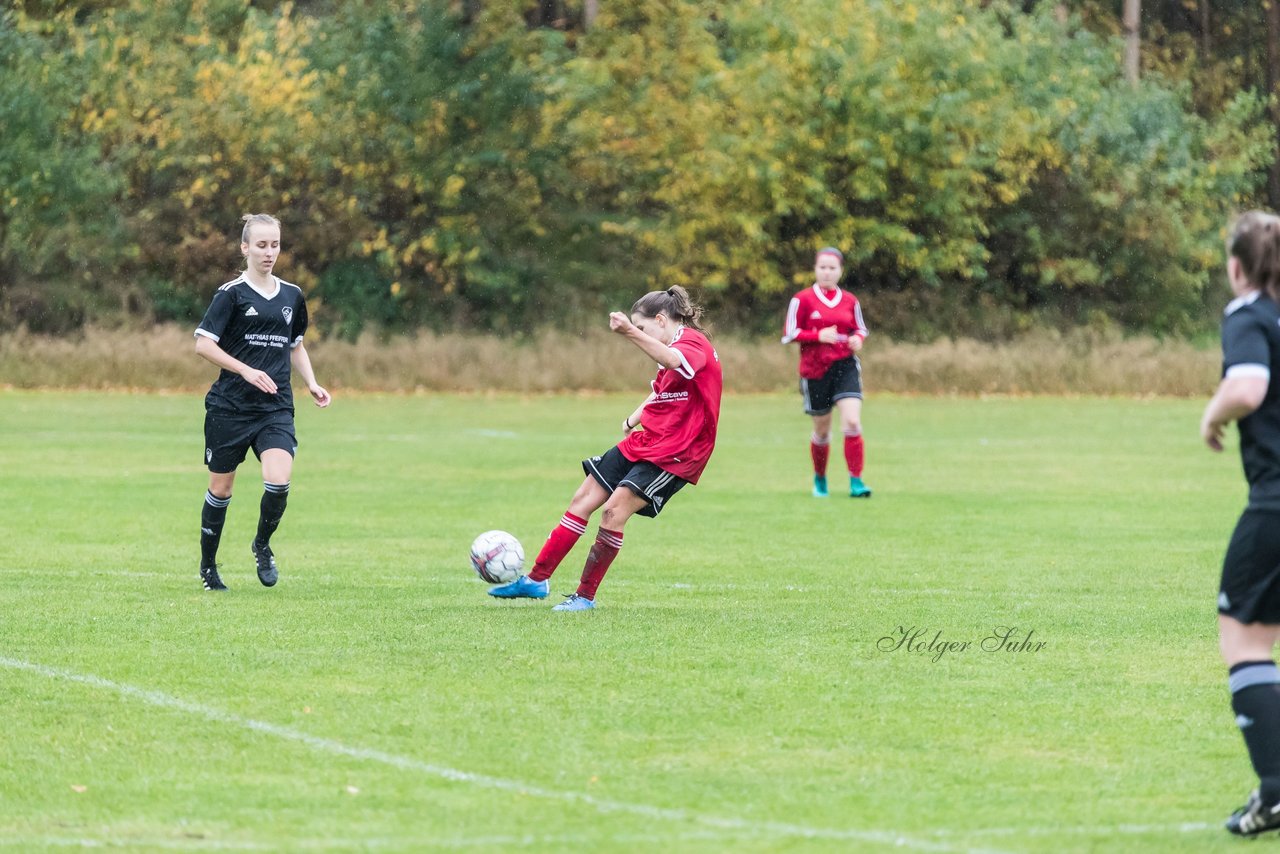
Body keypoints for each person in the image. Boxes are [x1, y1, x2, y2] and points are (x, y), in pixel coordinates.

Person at [488, 286, 722, 611]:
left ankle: (584, 596)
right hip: (649, 441)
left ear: (660, 319)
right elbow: (663, 388)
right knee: (583, 498)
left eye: (644, 328)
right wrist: (634, 418)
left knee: (613, 512)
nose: (641, 335)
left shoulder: (692, 342)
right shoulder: (673, 345)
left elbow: (671, 359)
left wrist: (628, 331)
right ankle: (536, 580)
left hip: (677, 452)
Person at [193, 213, 331, 591]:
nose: (269, 253)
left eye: (275, 245)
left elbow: (295, 346)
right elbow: (204, 344)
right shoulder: (231, 294)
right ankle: (208, 567)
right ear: (245, 248)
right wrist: (245, 370)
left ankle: (262, 544)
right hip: (230, 408)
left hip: (275, 407)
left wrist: (312, 383)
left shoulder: (292, 295)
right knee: (221, 490)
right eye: (261, 245)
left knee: (278, 480)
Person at [1200, 210, 1280, 836]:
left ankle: (1276, 793)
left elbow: (1248, 386)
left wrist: (1212, 414)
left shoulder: (1248, 313)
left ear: (1236, 268)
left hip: (1276, 505)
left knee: (1245, 639)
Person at [781, 246, 871, 498]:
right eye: (822, 267)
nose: (827, 272)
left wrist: (858, 339)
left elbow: (860, 329)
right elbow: (789, 333)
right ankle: (820, 478)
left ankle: (856, 481)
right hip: (815, 370)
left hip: (845, 366)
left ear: (840, 271)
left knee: (852, 421)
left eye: (832, 268)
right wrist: (817, 335)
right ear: (815, 269)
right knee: (822, 430)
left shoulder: (850, 300)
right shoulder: (802, 299)